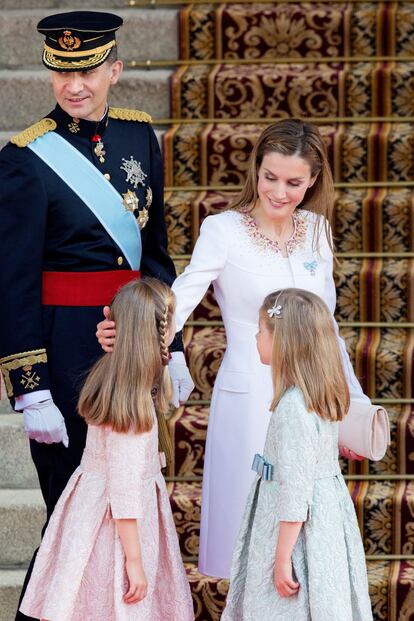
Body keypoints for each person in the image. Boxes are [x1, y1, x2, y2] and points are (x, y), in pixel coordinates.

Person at [97, 119, 374, 579]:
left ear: (313, 181)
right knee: (248, 540)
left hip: (311, 406)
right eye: (270, 177)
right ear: (256, 170)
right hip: (247, 402)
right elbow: (180, 299)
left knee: (303, 535)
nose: (279, 192)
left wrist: (354, 404)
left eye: (294, 182)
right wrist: (130, 336)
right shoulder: (223, 230)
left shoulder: (319, 233)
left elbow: (328, 329)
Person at [0, 11, 193, 620]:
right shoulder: (25, 158)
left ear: (114, 69)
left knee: (128, 501)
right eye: (61, 73)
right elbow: (12, 282)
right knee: (72, 512)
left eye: (86, 71)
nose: (73, 86)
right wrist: (30, 389)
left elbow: (155, 253)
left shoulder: (140, 137)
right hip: (65, 355)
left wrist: (174, 344)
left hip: (133, 349)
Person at [19, 278, 194, 621]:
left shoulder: (114, 381)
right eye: (171, 326)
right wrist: (134, 561)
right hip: (117, 526)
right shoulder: (133, 408)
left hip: (92, 512)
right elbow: (125, 492)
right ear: (156, 336)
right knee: (117, 599)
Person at [221, 288, 373, 621]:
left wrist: (281, 558)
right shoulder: (315, 398)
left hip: (297, 530)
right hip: (325, 518)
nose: (256, 336)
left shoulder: (293, 407)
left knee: (287, 604)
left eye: (261, 330)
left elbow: (295, 493)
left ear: (283, 341)